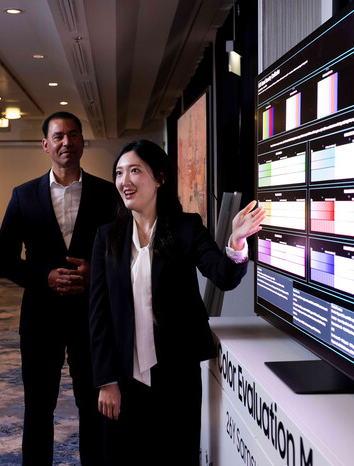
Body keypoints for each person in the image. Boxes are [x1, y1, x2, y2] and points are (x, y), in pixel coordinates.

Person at [89, 139, 266, 465]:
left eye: (135, 171)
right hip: (124, 376)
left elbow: (223, 275)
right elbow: (98, 313)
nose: (124, 181)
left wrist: (237, 240)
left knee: (177, 456)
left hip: (176, 374)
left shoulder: (186, 228)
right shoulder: (106, 236)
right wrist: (106, 380)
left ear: (160, 178)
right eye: (119, 173)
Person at [0, 111, 118, 464]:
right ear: (45, 145)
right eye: (59, 136)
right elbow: (3, 258)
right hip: (40, 317)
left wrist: (97, 272)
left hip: (92, 316)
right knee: (38, 406)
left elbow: (124, 253)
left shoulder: (107, 194)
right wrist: (43, 276)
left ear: (83, 142)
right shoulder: (24, 195)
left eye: (73, 135)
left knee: (92, 405)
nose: (67, 142)